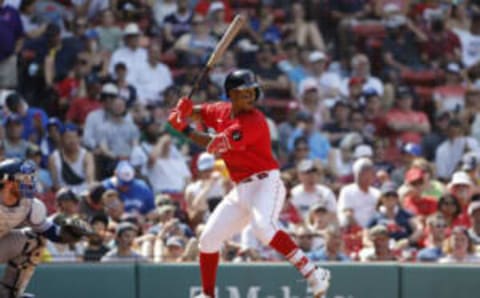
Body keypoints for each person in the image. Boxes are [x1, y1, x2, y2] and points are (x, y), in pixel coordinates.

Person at [167, 69, 330, 298]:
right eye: (244, 93)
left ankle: (312, 272)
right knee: (208, 239)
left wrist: (182, 127)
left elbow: (214, 145)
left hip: (266, 182)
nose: (250, 97)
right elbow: (200, 113)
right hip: (241, 188)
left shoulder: (254, 121)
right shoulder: (220, 110)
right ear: (231, 95)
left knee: (263, 227)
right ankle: (207, 294)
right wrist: (184, 110)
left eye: (252, 92)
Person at [0, 158, 93, 297]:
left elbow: (48, 231)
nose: (29, 182)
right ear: (7, 182)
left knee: (34, 240)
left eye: (30, 178)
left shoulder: (31, 205)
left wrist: (65, 234)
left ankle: (10, 294)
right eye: (24, 178)